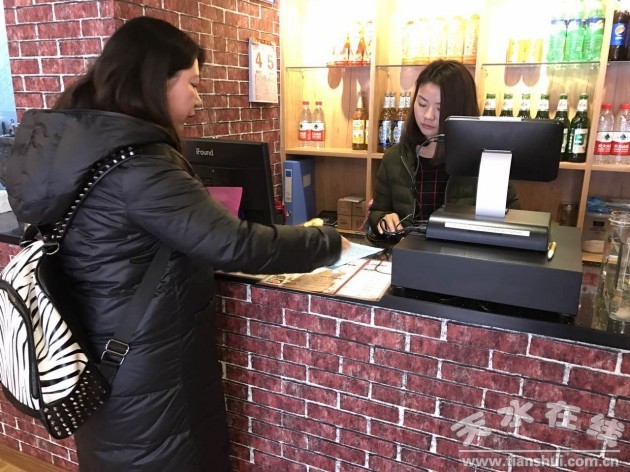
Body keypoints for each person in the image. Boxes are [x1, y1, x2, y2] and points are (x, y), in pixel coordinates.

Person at [6, 16, 349, 471]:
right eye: (193, 83)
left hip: (98, 354)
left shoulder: (77, 149)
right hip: (147, 366)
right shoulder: (140, 166)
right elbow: (235, 245)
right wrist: (327, 242)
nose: (198, 97)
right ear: (155, 82)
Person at [368, 60, 519, 235]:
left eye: (440, 108)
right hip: (407, 249)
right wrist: (383, 219)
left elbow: (514, 220)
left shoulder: (487, 160)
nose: (428, 115)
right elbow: (377, 211)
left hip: (461, 251)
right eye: (422, 104)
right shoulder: (395, 157)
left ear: (461, 109)